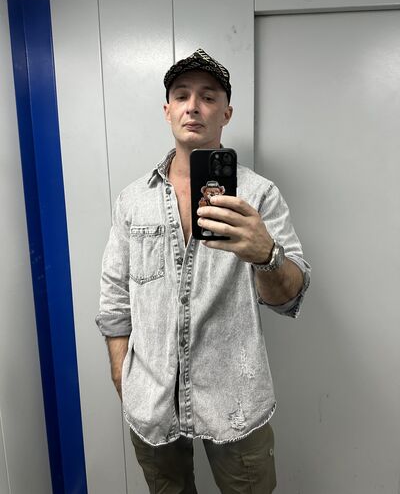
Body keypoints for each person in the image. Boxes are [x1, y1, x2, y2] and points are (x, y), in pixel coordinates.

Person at [96, 48, 311, 493]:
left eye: (208, 97)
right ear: (168, 110)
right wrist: (121, 370)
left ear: (226, 113)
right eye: (182, 95)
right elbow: (114, 293)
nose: (193, 106)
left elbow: (289, 298)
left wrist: (266, 254)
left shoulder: (258, 195)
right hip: (151, 398)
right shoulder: (133, 200)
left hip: (235, 400)